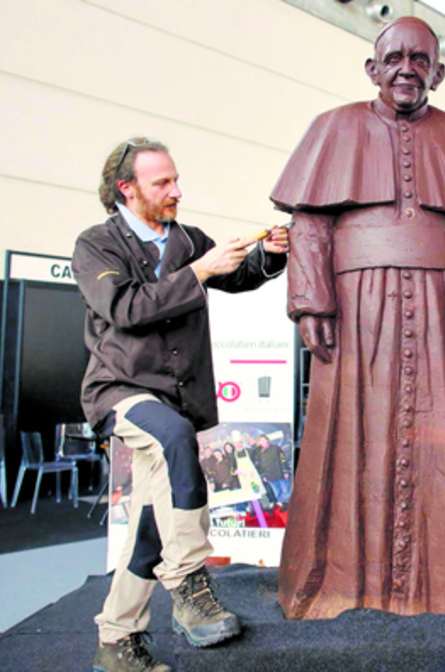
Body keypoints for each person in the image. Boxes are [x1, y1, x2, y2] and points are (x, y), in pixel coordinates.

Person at [270, 16, 445, 619]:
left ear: (439, 73)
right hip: (356, 306)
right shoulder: (334, 127)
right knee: (348, 433)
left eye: (420, 60)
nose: (407, 69)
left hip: (438, 304)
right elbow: (309, 222)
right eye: (395, 58)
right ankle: (342, 580)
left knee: (438, 440)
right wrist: (312, 300)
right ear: (373, 68)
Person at [73, 137, 289, 672]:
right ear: (127, 188)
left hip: (177, 400)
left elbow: (239, 278)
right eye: (162, 182)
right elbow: (124, 307)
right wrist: (199, 271)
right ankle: (189, 581)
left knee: (150, 527)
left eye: (176, 180)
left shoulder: (189, 239)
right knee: (172, 436)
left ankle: (116, 640)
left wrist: (270, 255)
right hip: (120, 391)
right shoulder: (96, 244)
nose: (176, 191)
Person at [250, 434, 291, 506]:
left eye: (264, 440)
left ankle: (288, 504)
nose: (263, 442)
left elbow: (283, 459)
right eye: (261, 440)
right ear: (259, 442)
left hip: (280, 473)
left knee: (286, 489)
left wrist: (285, 471)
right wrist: (263, 476)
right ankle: (282, 504)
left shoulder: (276, 448)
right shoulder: (258, 453)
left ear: (267, 440)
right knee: (276, 491)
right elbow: (260, 466)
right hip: (269, 476)